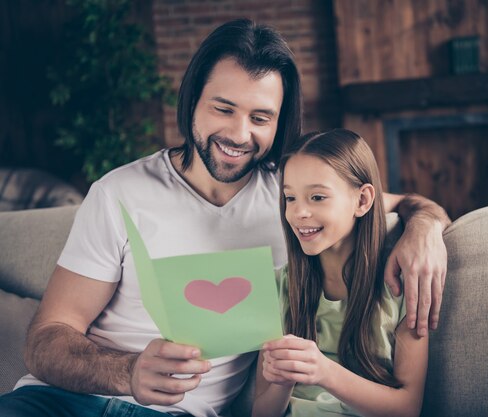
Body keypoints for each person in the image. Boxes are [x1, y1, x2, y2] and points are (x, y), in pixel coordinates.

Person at [0, 19, 448, 417]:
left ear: (279, 123)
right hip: (55, 401)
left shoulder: (295, 200)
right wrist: (128, 371)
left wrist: (424, 227)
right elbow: (47, 338)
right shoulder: (118, 192)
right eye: (224, 108)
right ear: (193, 99)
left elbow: (401, 203)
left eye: (260, 117)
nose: (239, 134)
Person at [251, 129, 428, 417]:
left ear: (362, 201)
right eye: (290, 198)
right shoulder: (279, 287)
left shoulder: (400, 286)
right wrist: (282, 381)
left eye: (317, 197)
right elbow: (261, 412)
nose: (298, 213)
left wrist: (323, 372)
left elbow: (407, 408)